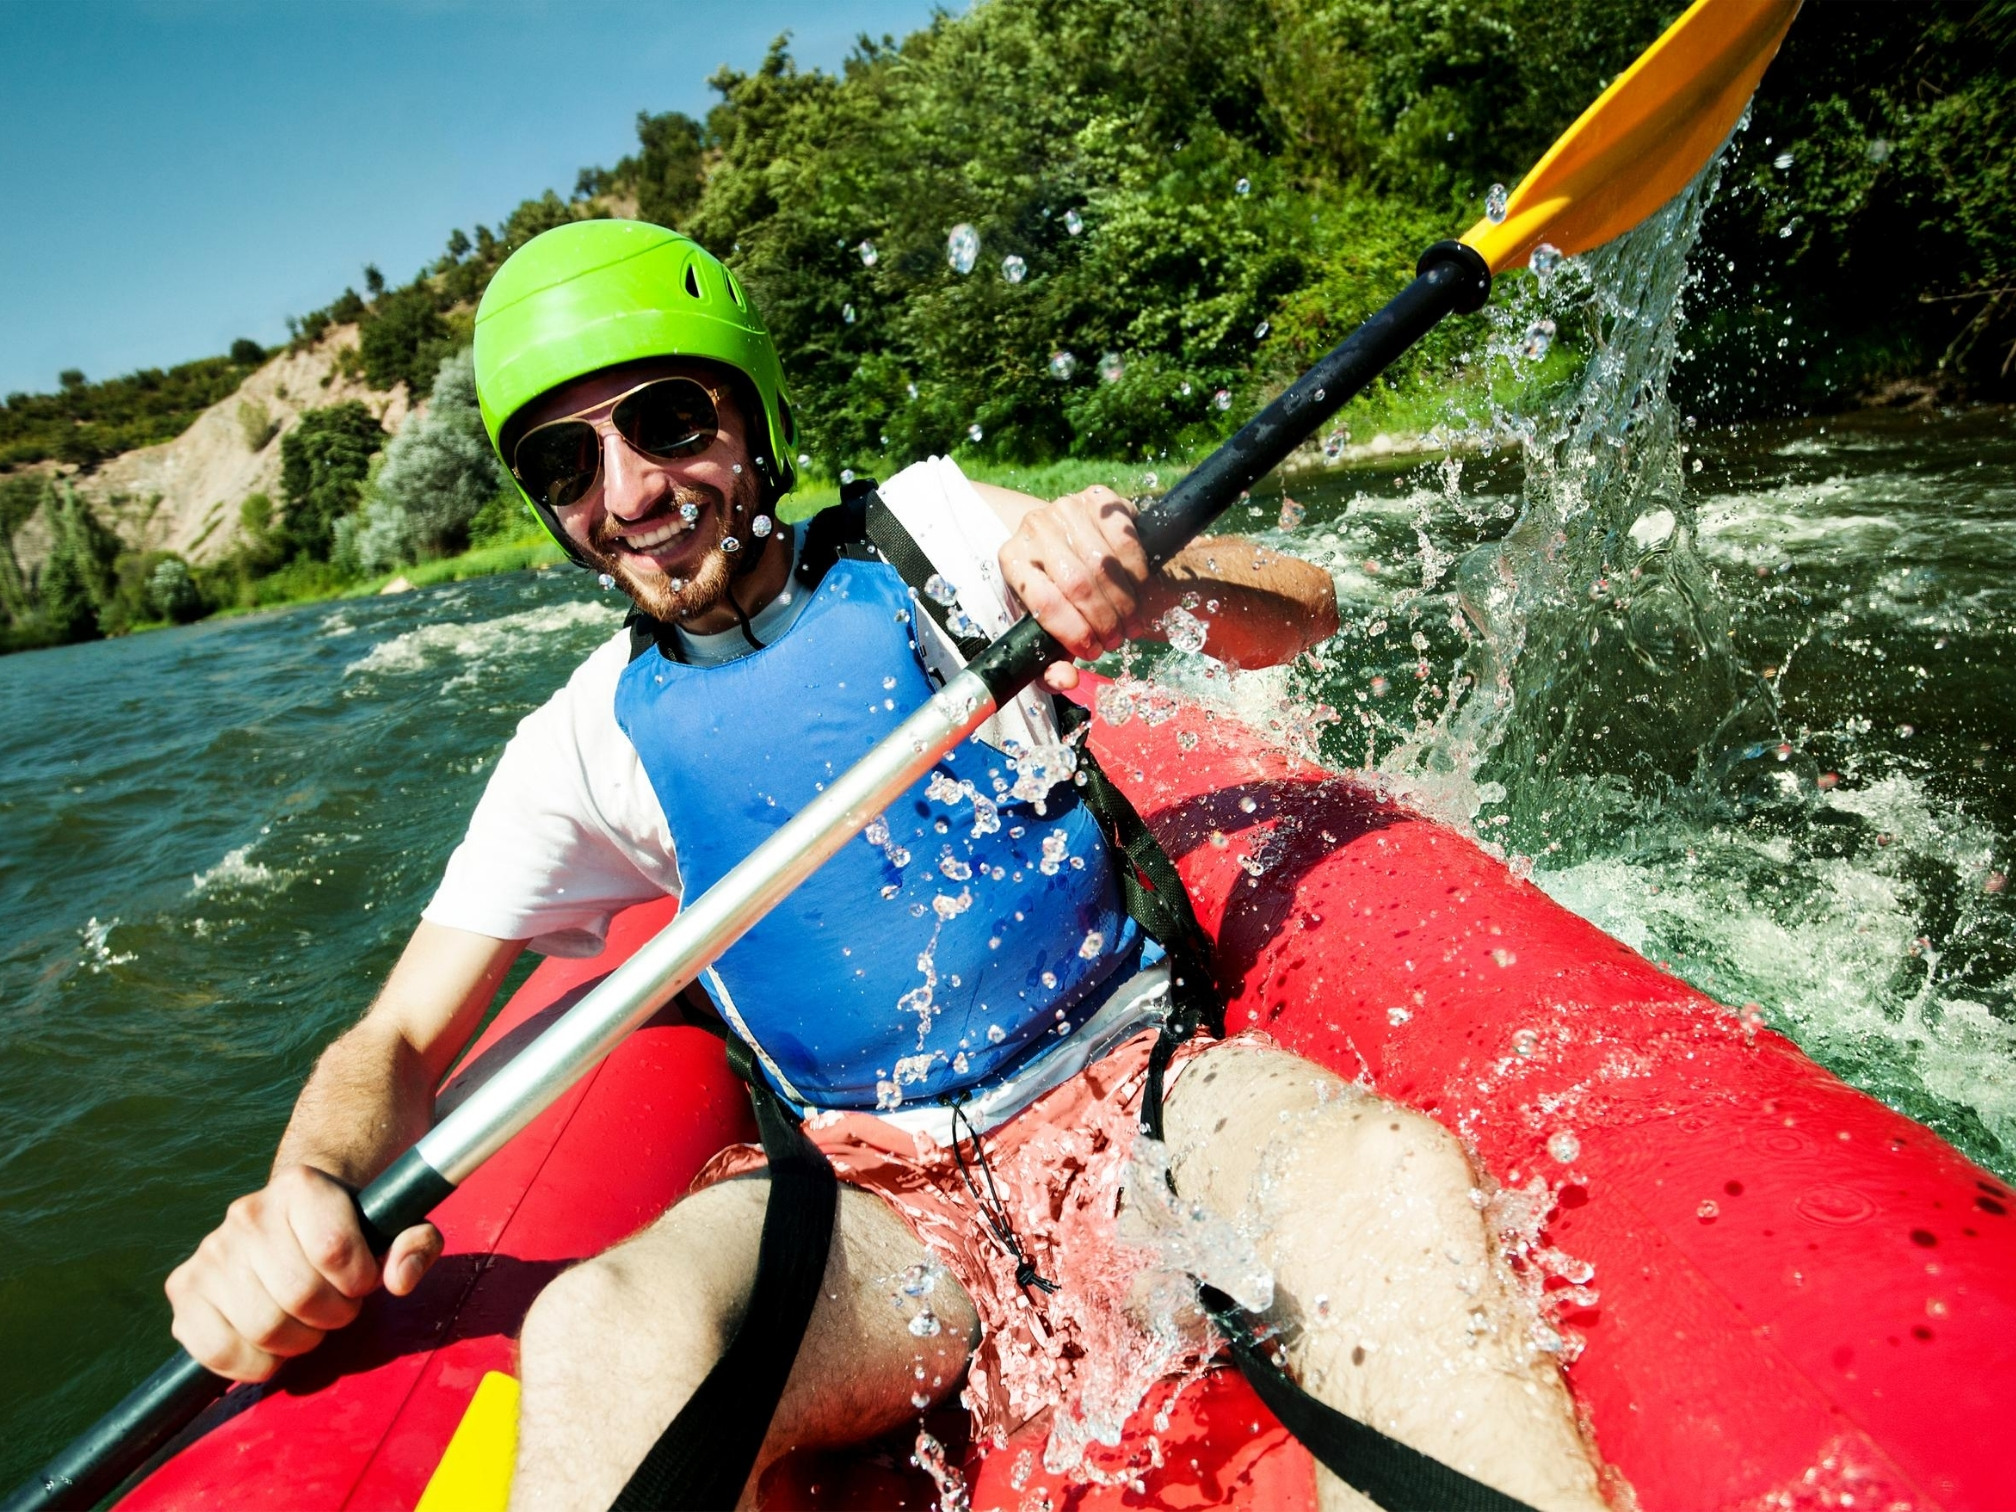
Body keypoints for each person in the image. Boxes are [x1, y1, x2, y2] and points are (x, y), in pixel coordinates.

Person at [163, 221, 1607, 1511]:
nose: (630, 488)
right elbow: (400, 1038)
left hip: (1138, 1096)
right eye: (566, 462)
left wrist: (1150, 575)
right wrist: (303, 1184)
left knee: (1385, 1184)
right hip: (879, 1218)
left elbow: (1302, 611)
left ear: (753, 419)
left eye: (667, 421)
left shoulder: (935, 537)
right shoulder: (585, 744)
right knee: (597, 1331)